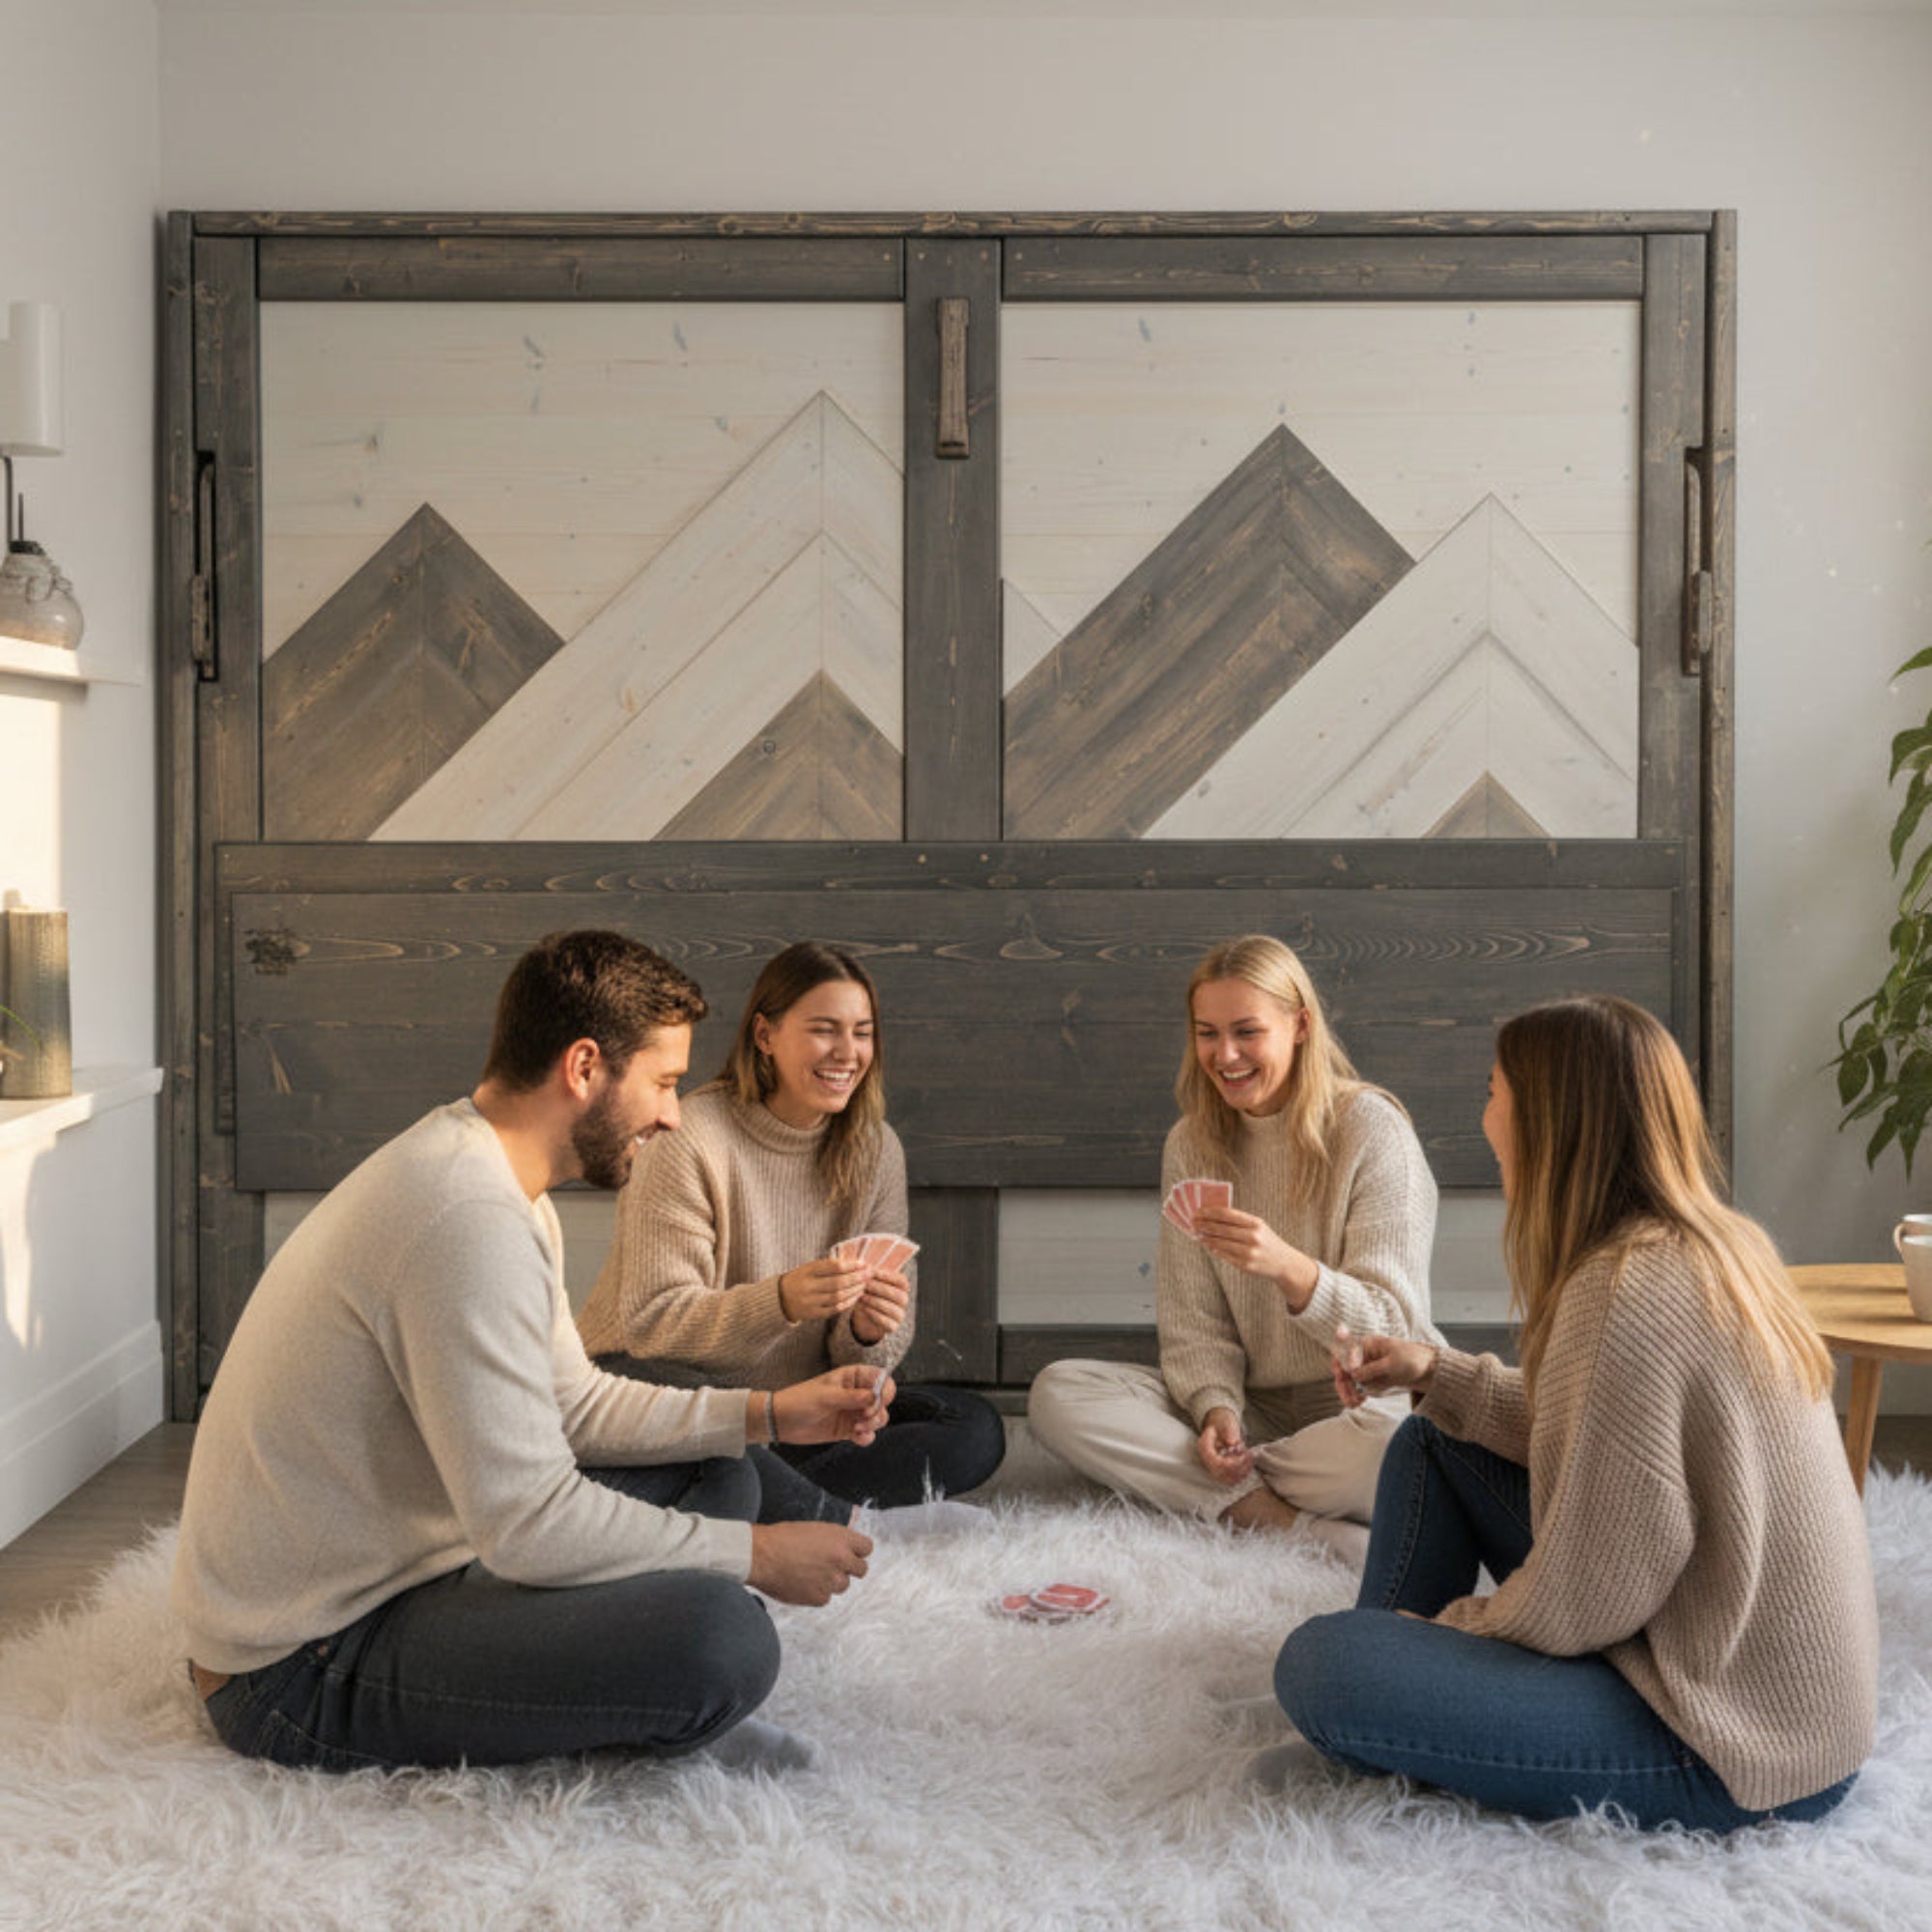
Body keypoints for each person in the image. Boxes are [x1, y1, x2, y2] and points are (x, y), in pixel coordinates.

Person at [171, 929, 885, 1775]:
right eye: (661, 1082)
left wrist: (769, 1414)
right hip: (299, 1666)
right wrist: (756, 1556)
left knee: (719, 1476)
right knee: (725, 1639)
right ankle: (658, 1701)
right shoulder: (463, 1218)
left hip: (413, 1563)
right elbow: (528, 1526)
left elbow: (573, 1405)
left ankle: (613, 1675)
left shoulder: (490, 1172)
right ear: (584, 1069)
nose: (669, 1113)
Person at [1271, 995, 1879, 1831]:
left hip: (1732, 1741)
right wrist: (1435, 1372)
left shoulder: (1627, 1291)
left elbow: (1592, 1593)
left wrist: (1457, 1632)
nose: (1484, 1114)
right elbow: (1614, 1437)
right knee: (1431, 1439)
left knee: (1323, 1663)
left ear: (1550, 1120)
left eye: (1494, 1091)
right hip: (1737, 1666)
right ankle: (1402, 1715)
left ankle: (1390, 1712)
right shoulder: (1708, 1245)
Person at [1027, 934, 1440, 1546]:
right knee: (1058, 1394)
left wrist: (1290, 1270)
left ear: (1299, 1025)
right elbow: (1193, 1321)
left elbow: (1394, 1329)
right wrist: (1215, 1410)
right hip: (1256, 1411)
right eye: (1207, 1033)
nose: (1225, 1055)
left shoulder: (1371, 1129)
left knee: (1402, 1447)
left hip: (1360, 1410)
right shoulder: (1192, 1143)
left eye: (1247, 1032)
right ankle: (1277, 1518)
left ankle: (1223, 1492)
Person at [579, 941, 1006, 1519]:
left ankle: (777, 1494)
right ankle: (833, 1513)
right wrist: (780, 1301)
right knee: (702, 1432)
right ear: (764, 1036)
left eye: (863, 1032)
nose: (847, 1053)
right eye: (825, 1030)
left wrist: (866, 1333)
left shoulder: (877, 1150)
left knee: (973, 1429)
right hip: (668, 1387)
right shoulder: (687, 1138)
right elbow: (654, 1327)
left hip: (801, 1415)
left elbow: (867, 1364)